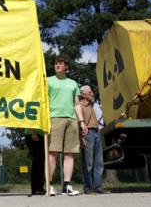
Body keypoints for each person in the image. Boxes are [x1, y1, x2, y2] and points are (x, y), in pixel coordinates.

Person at [47, 57, 87, 196]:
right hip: (54, 118)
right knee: (53, 152)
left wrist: (81, 121)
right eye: (56, 63)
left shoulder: (73, 83)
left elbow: (77, 104)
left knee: (69, 153)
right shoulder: (48, 81)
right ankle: (49, 185)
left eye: (60, 63)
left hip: (72, 119)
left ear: (66, 67)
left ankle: (66, 186)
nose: (57, 65)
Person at [78, 85, 109, 194]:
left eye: (92, 92)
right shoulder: (79, 106)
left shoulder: (93, 105)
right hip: (87, 134)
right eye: (90, 92)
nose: (92, 93)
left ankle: (98, 187)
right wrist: (81, 138)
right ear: (83, 94)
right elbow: (78, 123)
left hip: (97, 132)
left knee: (99, 162)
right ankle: (87, 187)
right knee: (88, 163)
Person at [24, 128, 45, 195]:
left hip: (42, 135)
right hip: (34, 134)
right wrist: (33, 133)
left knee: (40, 162)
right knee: (38, 161)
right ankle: (37, 189)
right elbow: (28, 120)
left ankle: (39, 188)